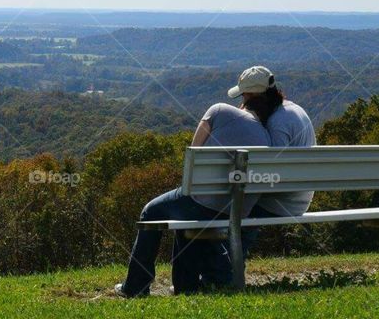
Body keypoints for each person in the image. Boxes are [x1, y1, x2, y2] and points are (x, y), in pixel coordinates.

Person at [115, 69, 275, 297]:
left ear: (246, 95)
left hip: (203, 202)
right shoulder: (266, 136)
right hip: (235, 210)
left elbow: (193, 157)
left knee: (151, 211)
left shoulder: (218, 111)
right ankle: (185, 286)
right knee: (185, 219)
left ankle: (136, 286)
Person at [236, 67, 317, 257]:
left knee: (226, 214)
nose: (242, 102)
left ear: (252, 96)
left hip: (284, 202)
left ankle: (223, 275)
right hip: (301, 196)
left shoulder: (276, 124)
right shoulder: (293, 109)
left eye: (243, 96)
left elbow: (273, 174)